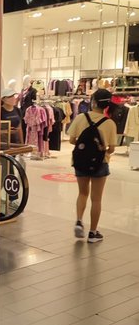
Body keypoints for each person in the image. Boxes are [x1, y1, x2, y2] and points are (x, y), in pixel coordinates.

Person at [69, 88, 118, 243]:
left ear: (93, 102)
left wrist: (86, 147)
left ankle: (79, 221)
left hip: (80, 161)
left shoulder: (80, 117)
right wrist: (100, 149)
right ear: (107, 105)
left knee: (82, 193)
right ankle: (93, 233)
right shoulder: (110, 123)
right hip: (100, 163)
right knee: (96, 199)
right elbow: (111, 149)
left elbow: (72, 140)